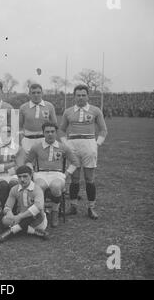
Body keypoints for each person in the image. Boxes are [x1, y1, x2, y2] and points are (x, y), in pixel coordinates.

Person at [59, 85, 108, 220]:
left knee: (89, 179)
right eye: (78, 95)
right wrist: (65, 144)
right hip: (73, 146)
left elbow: (103, 130)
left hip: (89, 145)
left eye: (83, 95)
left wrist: (97, 144)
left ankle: (91, 208)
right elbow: (61, 130)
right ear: (74, 96)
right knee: (74, 179)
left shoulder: (95, 110)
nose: (80, 97)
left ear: (88, 96)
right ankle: (73, 206)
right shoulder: (68, 111)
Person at [25, 122, 78, 227]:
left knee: (56, 187)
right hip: (41, 174)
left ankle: (55, 212)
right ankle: (40, 213)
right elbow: (28, 161)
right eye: (47, 132)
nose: (50, 134)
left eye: (52, 132)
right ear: (43, 133)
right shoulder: (36, 147)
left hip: (57, 174)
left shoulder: (63, 147)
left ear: (56, 133)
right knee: (39, 186)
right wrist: (32, 172)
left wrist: (66, 174)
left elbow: (75, 162)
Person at [0, 165, 49, 243]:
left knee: (34, 212)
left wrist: (20, 217)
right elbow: (7, 206)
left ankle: (10, 232)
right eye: (19, 177)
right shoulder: (14, 189)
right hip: (20, 219)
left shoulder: (37, 189)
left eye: (25, 176)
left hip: (37, 220)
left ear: (31, 175)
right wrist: (9, 213)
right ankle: (34, 232)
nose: (22, 179)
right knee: (4, 220)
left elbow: (38, 207)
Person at [0, 125, 25, 209]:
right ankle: (4, 210)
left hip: (14, 175)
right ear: (0, 134)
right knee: (3, 186)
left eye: (9, 131)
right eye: (4, 132)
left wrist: (1, 167)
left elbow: (19, 167)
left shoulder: (18, 148)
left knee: (13, 184)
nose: (7, 134)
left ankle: (13, 210)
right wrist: (11, 164)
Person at [19, 83, 57, 154]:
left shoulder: (49, 106)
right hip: (28, 140)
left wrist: (52, 139)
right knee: (28, 164)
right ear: (29, 94)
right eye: (33, 93)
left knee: (44, 164)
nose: (36, 95)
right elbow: (19, 126)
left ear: (42, 93)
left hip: (44, 139)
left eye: (38, 92)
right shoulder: (23, 107)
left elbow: (54, 125)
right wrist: (22, 140)